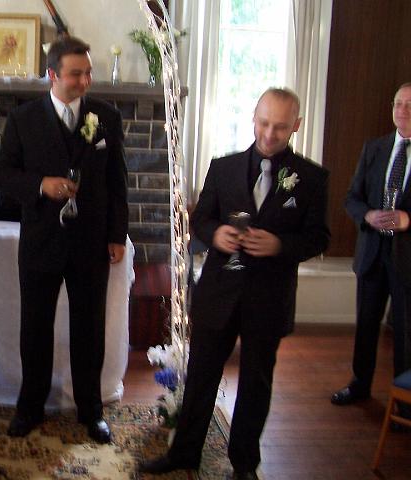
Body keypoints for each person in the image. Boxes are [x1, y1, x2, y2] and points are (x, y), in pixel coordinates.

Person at [139, 88, 330, 478]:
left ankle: (244, 464)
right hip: (219, 292)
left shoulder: (312, 178)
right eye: (264, 123)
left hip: (269, 297)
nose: (269, 134)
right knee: (201, 376)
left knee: (256, 383)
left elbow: (319, 237)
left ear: (296, 125)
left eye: (280, 127)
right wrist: (216, 234)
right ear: (253, 118)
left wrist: (280, 245)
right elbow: (201, 219)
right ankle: (184, 453)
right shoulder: (223, 167)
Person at [0, 36, 129, 444]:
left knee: (90, 329)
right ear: (52, 74)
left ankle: (91, 411)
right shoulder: (23, 119)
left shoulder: (106, 116)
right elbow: (2, 175)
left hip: (91, 242)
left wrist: (117, 235)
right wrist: (41, 185)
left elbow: (117, 181)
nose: (85, 81)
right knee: (35, 328)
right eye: (76, 74)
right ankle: (29, 407)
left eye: (88, 73)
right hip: (41, 240)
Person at [331, 82, 411, 409]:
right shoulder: (374, 148)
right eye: (398, 103)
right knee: (366, 326)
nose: (403, 110)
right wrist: (368, 215)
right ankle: (359, 385)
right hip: (372, 254)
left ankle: (405, 400)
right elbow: (352, 198)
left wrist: (408, 219)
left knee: (405, 333)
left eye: (410, 104)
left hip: (407, 260)